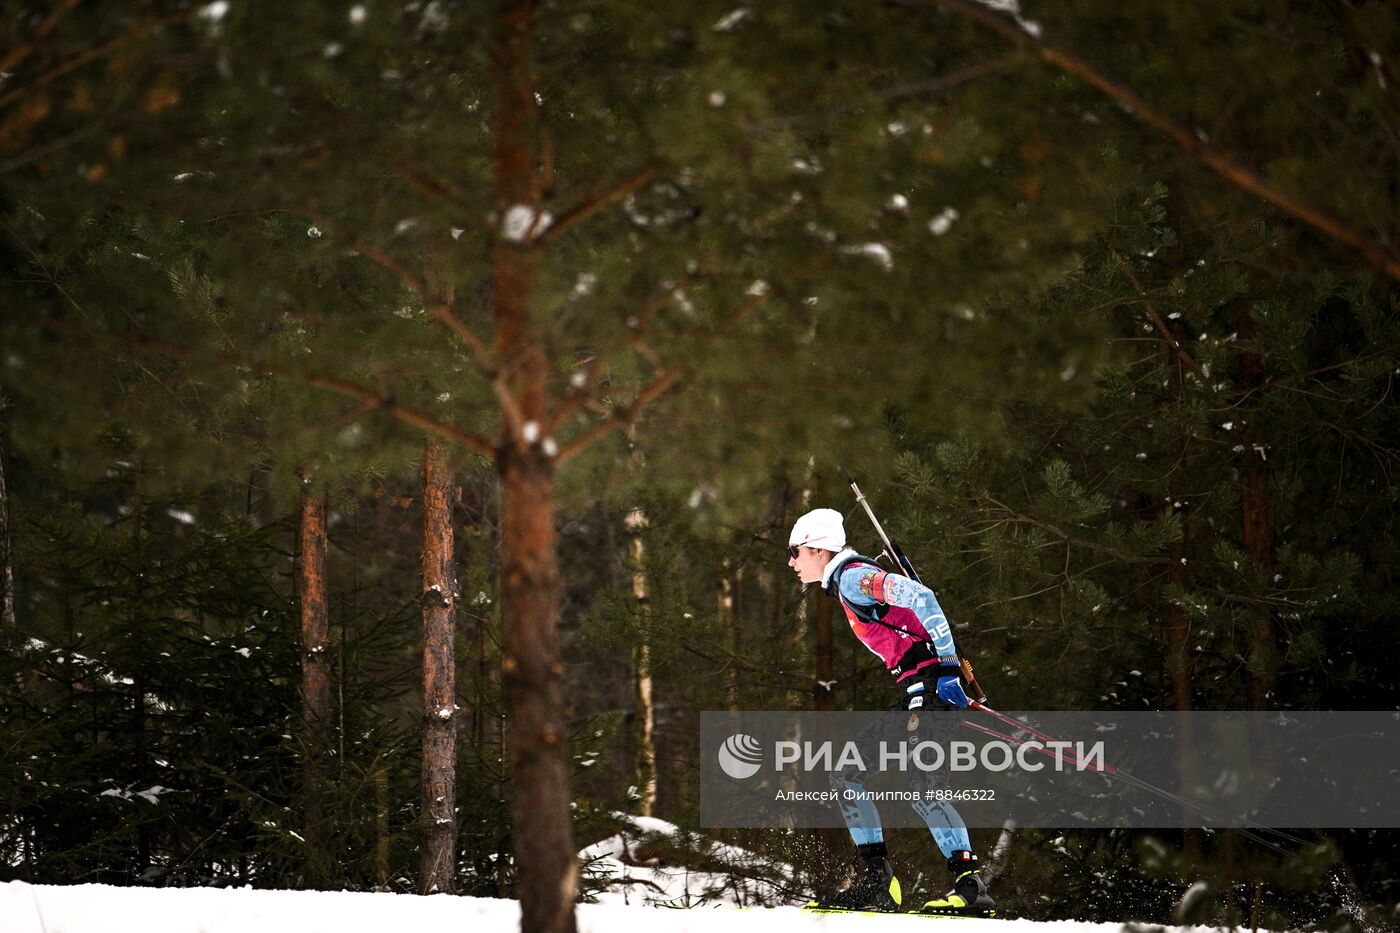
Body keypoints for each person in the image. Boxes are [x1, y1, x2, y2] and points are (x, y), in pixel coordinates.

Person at [787, 507, 995, 916]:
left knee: (923, 789)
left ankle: (971, 889)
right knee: (848, 776)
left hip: (933, 688)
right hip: (918, 691)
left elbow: (923, 597)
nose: (791, 562)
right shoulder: (843, 583)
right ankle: (878, 883)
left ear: (818, 550)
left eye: (794, 552)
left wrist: (948, 667)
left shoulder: (853, 577)